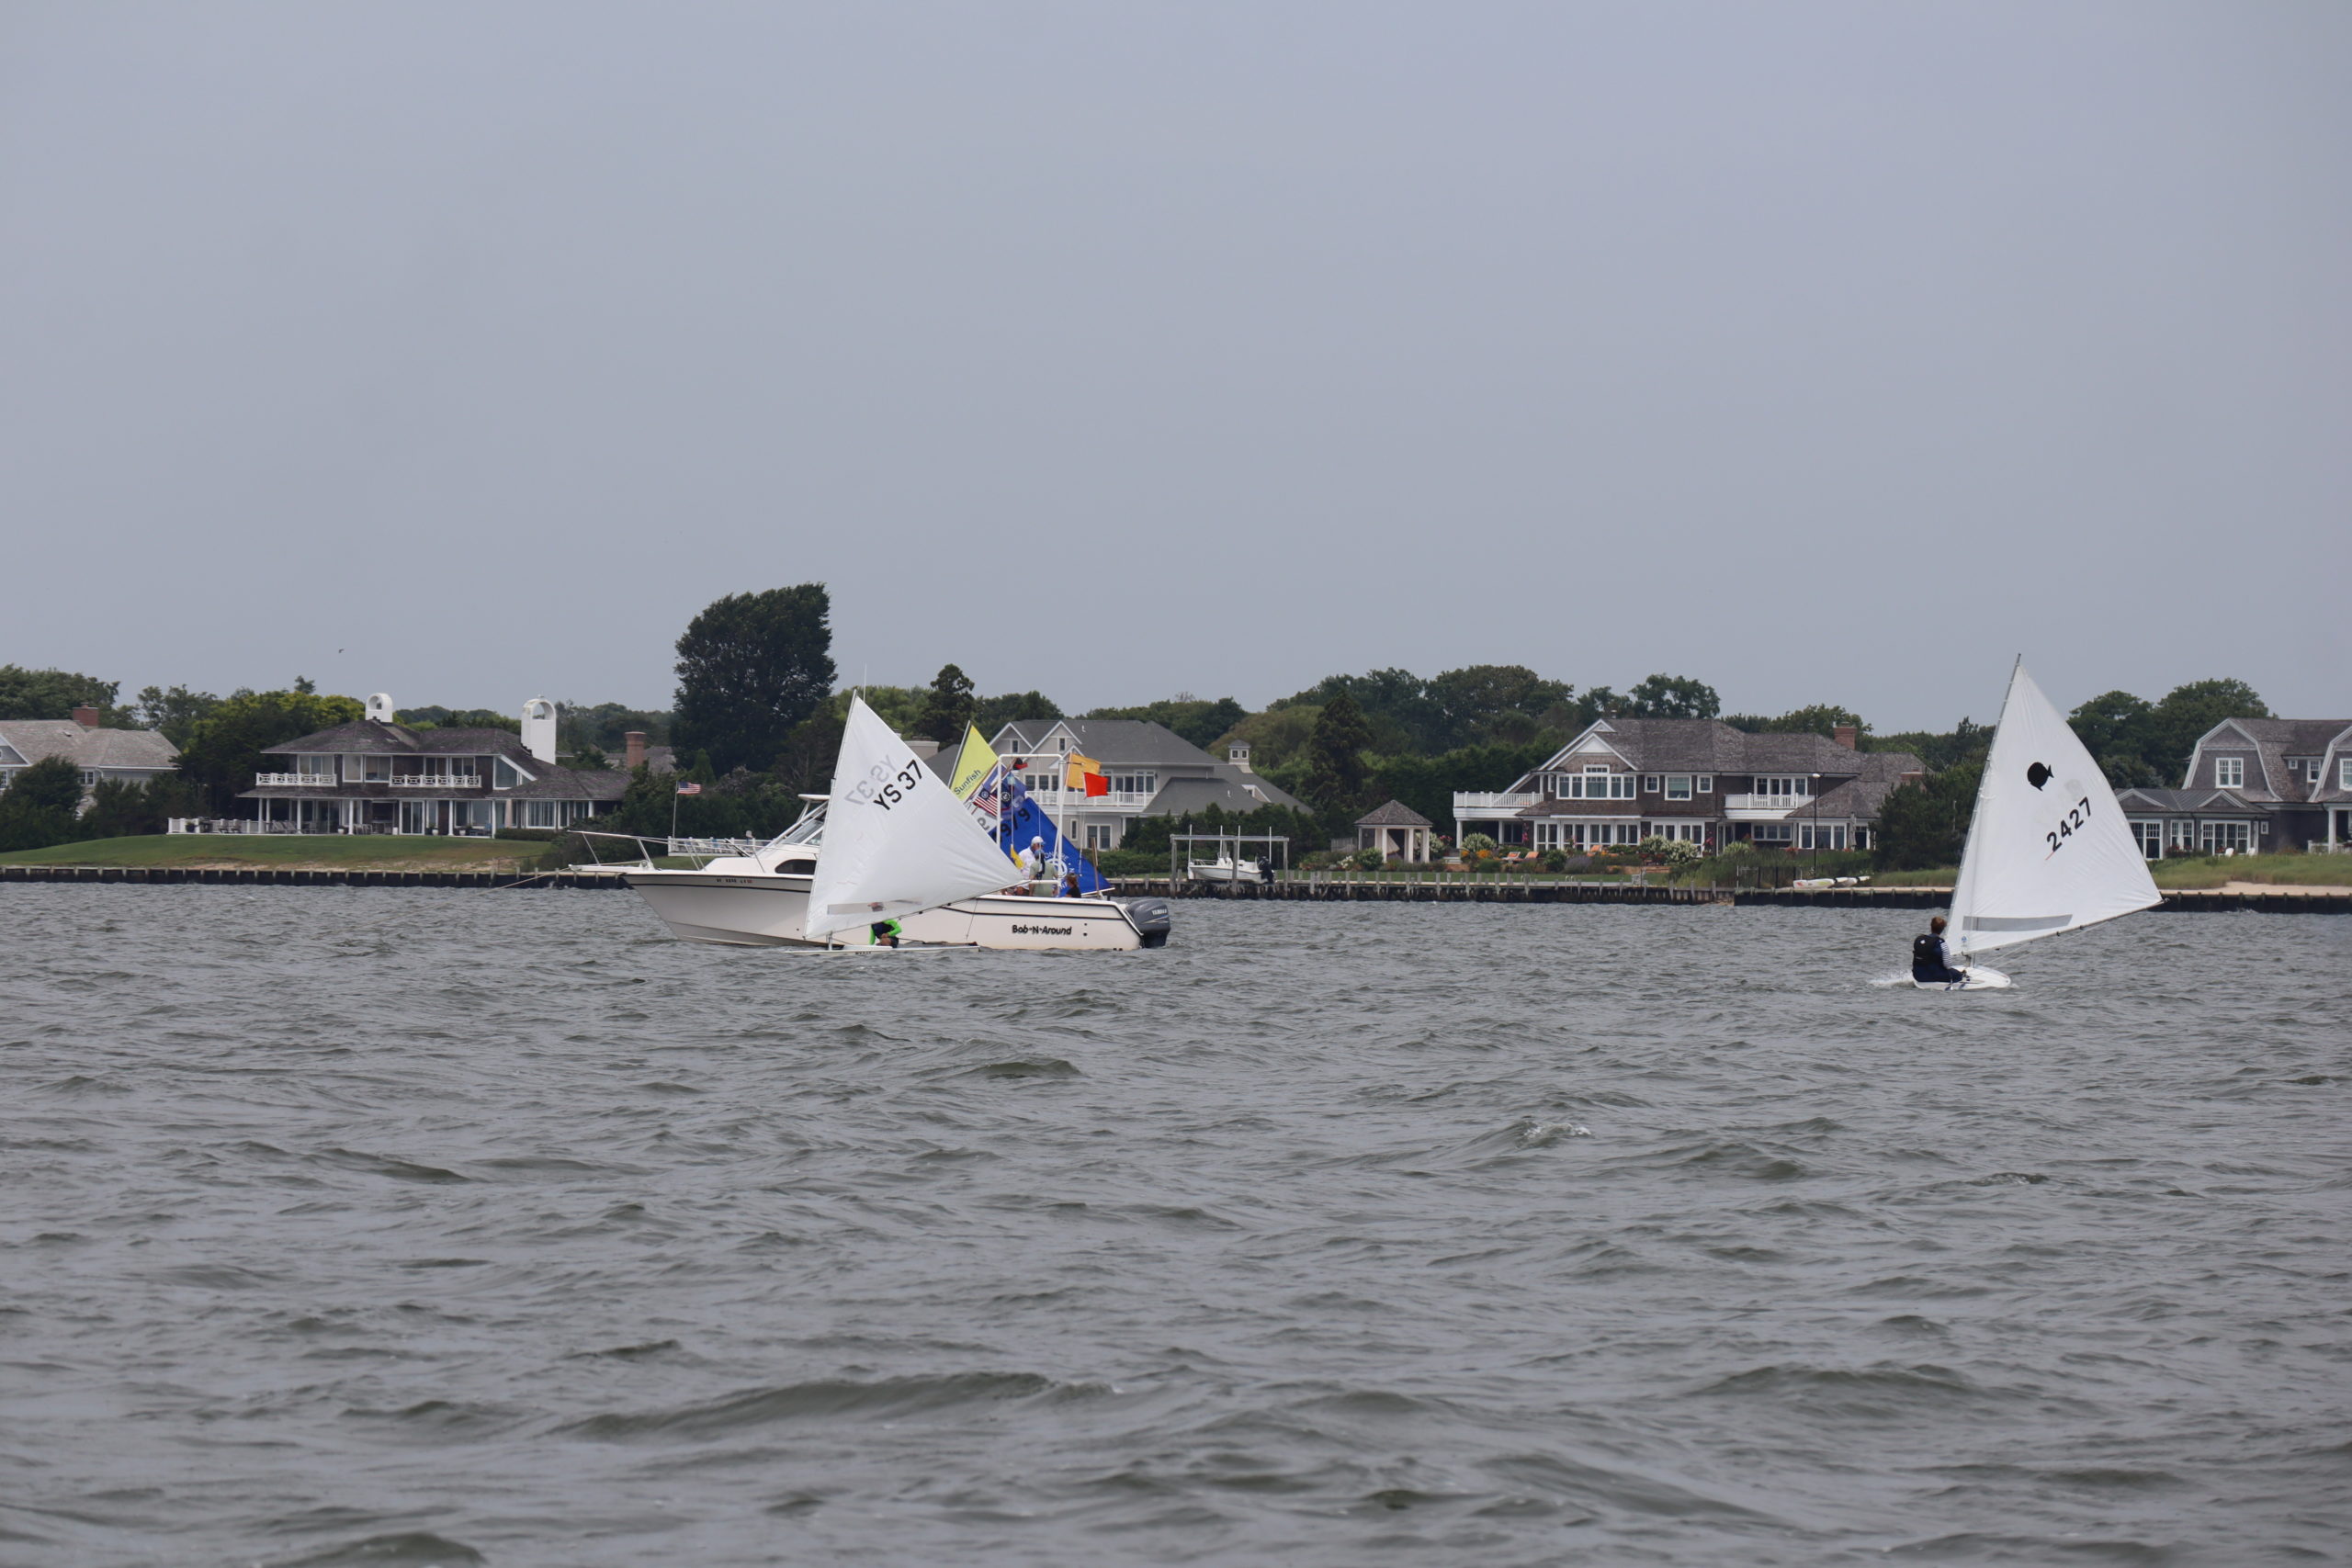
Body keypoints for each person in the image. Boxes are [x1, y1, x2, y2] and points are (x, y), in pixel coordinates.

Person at [1911, 915, 1965, 986]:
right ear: (1942, 929)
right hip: (1934, 975)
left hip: (1918, 975)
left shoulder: (1919, 939)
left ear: (1931, 926)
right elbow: (1947, 965)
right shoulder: (1942, 943)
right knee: (1959, 975)